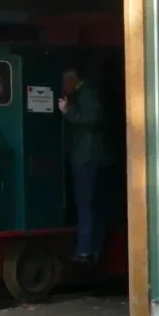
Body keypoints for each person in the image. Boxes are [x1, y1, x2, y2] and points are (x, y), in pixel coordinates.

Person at [57, 67, 106, 263]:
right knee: (88, 203)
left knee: (86, 203)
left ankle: (86, 249)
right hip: (83, 156)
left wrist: (68, 111)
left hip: (86, 157)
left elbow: (92, 119)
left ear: (71, 80)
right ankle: (90, 247)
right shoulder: (82, 93)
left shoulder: (87, 93)